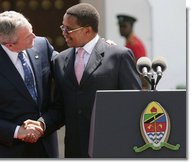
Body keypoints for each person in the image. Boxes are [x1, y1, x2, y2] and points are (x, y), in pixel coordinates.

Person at [25, 3, 142, 158]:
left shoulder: (118, 56)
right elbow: (60, 107)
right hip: (75, 150)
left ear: (87, 30)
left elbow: (133, 103)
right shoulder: (60, 60)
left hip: (111, 148)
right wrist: (41, 124)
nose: (64, 33)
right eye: (63, 28)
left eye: (69, 29)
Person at [0, 11, 59, 158]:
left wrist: (103, 48)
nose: (34, 37)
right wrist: (17, 131)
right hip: (10, 152)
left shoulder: (42, 46)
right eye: (28, 36)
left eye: (32, 31)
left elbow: (66, 66)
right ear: (10, 44)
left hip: (46, 147)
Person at [117, 14, 149, 89]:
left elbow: (142, 67)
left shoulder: (135, 44)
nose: (121, 29)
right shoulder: (128, 43)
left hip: (137, 86)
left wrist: (143, 87)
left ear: (131, 27)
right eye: (120, 26)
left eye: (124, 26)